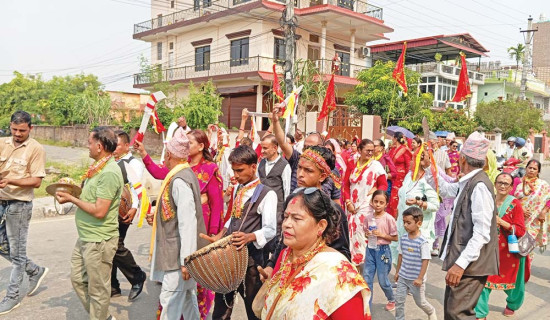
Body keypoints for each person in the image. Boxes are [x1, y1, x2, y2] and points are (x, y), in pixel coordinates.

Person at [421, 131, 499, 320]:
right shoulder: (468, 182)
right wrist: (429, 166)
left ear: (462, 159)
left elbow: (481, 233)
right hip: (465, 261)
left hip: (471, 264)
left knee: (458, 314)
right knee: (452, 312)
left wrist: (460, 265)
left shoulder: (479, 186)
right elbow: (447, 190)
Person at [260, 188, 371, 320]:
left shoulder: (339, 272)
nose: (286, 224)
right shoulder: (286, 255)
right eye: (285, 217)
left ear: (321, 226)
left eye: (296, 218)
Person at [56, 126, 123, 320]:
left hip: (99, 240)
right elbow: (92, 197)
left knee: (98, 290)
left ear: (99, 146)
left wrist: (72, 200)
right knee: (77, 279)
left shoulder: (109, 172)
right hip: (87, 236)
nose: (88, 146)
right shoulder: (97, 168)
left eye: (89, 142)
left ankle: (100, 317)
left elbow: (100, 211)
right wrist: (73, 190)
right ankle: (104, 317)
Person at [205, 145, 277, 320]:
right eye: (234, 170)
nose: (235, 175)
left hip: (251, 263)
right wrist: (220, 235)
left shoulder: (268, 194)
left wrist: (250, 237)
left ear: (253, 167)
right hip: (229, 261)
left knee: (254, 312)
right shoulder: (240, 188)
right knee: (220, 312)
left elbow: (271, 229)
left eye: (240, 170)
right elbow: (234, 218)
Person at [262, 146, 351, 281]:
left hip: (316, 280)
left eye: (308, 170)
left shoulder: (333, 211)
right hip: (288, 276)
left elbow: (342, 255)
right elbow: (284, 241)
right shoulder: (292, 201)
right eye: (299, 168)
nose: (300, 174)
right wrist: (271, 265)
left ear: (322, 176)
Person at [146, 127, 208, 320]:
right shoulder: (179, 175)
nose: (164, 157)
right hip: (177, 255)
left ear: (170, 154)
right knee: (188, 304)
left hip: (178, 257)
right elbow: (172, 214)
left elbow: (188, 224)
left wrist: (185, 262)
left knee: (170, 304)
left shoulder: (180, 180)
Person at [0, 111, 48, 315]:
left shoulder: (36, 149)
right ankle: (35, 270)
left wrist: (11, 181)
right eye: (14, 129)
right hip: (1, 200)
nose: (17, 134)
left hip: (19, 204)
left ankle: (12, 296)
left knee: (17, 253)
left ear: (30, 128)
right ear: (10, 125)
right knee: (2, 245)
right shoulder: (3, 143)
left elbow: (36, 181)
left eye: (22, 130)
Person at [474, 173, 526, 319]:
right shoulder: (488, 200)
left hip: (508, 251)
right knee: (483, 281)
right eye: (500, 182)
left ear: (511, 187)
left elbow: (521, 230)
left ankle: (513, 304)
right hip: (488, 249)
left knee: (512, 285)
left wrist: (502, 223)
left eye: (506, 184)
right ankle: (481, 313)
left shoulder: (515, 204)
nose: (502, 186)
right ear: (495, 184)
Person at [111, 130, 147, 301]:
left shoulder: (133, 164)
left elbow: (136, 188)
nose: (114, 148)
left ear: (126, 145)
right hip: (108, 210)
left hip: (123, 211)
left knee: (115, 245)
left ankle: (137, 276)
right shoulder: (111, 161)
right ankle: (112, 286)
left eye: (117, 144)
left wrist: (134, 208)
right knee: (107, 246)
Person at [343, 139, 388, 266]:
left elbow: (383, 185)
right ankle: (354, 265)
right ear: (359, 150)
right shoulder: (352, 164)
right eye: (367, 150)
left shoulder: (376, 166)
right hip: (352, 206)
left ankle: (366, 266)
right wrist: (348, 202)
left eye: (372, 151)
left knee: (365, 235)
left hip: (367, 206)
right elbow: (346, 185)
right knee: (352, 235)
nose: (370, 153)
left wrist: (376, 193)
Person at [390, 156, 439, 264]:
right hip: (402, 224)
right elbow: (402, 196)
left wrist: (418, 203)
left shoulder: (426, 180)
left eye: (413, 159)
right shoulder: (409, 176)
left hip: (418, 227)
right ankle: (401, 278)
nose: (410, 161)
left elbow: (435, 205)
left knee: (415, 261)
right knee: (396, 254)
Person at [394, 207, 437, 320]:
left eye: (408, 222)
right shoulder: (403, 239)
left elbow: (425, 260)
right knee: (398, 301)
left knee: (420, 302)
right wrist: (397, 272)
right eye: (404, 222)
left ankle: (431, 311)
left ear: (419, 223)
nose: (405, 225)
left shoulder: (422, 242)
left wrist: (420, 278)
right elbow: (400, 256)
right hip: (403, 276)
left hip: (416, 280)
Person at [362, 190, 397, 311]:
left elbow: (395, 237)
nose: (378, 204)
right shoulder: (368, 218)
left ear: (386, 204)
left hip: (383, 251)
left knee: (383, 280)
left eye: (381, 202)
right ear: (371, 202)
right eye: (375, 201)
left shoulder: (389, 219)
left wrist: (381, 235)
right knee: (367, 278)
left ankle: (392, 298)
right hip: (370, 249)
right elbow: (366, 233)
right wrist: (368, 234)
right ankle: (367, 305)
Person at [258, 134, 291, 244]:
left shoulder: (284, 165)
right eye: (262, 147)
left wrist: (285, 211)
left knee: (274, 240)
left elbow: (287, 190)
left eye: (265, 148)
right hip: (261, 208)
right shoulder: (261, 163)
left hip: (277, 210)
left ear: (275, 148)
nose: (262, 151)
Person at [514, 160, 550, 260]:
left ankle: (526, 269)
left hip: (534, 221)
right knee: (516, 244)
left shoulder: (543, 185)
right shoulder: (518, 181)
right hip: (519, 217)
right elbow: (511, 198)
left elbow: (549, 199)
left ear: (538, 171)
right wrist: (521, 208)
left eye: (534, 169)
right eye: (530, 167)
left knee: (528, 245)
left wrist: (543, 212)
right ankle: (516, 271)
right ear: (526, 168)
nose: (531, 170)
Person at [389, 132, 412, 219]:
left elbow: (408, 165)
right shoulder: (392, 150)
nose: (392, 139)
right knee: (391, 197)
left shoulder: (405, 150)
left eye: (392, 138)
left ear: (395, 138)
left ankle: (398, 217)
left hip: (401, 178)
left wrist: (407, 179)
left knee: (396, 197)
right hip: (392, 176)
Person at [373, 139, 397, 216]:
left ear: (381, 148)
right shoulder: (369, 159)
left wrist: (383, 176)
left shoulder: (385, 159)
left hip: (384, 186)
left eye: (375, 146)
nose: (372, 147)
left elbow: (394, 174)